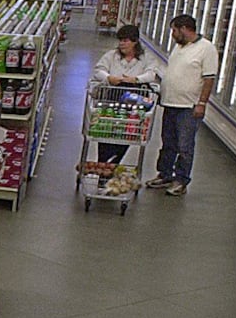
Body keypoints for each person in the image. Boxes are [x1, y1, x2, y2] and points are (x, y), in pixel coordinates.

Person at [147, 13, 218, 197]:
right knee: (167, 142)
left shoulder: (206, 49)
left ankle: (181, 180)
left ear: (184, 29)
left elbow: (209, 78)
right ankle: (164, 174)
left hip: (188, 106)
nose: (172, 34)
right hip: (170, 102)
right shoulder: (179, 47)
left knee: (184, 146)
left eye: (174, 30)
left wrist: (201, 103)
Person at [88, 25, 160, 165]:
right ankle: (103, 163)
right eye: (120, 40)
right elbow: (98, 70)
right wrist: (108, 78)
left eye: (126, 40)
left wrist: (136, 79)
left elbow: (151, 74)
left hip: (134, 102)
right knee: (106, 131)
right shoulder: (111, 56)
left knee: (128, 133)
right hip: (110, 99)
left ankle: (114, 163)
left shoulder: (146, 58)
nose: (122, 43)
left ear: (135, 42)